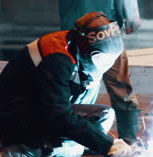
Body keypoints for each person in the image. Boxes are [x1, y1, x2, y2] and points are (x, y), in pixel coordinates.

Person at [0, 12, 136, 157]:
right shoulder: (57, 57)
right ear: (85, 44)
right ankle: (25, 150)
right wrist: (108, 145)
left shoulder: (79, 46)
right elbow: (59, 113)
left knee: (102, 115)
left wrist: (123, 141)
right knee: (82, 113)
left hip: (36, 109)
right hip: (14, 120)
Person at [58, 0, 141, 145]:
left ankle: (128, 142)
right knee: (112, 88)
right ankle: (125, 142)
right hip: (99, 32)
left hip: (95, 32)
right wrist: (132, 14)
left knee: (80, 88)